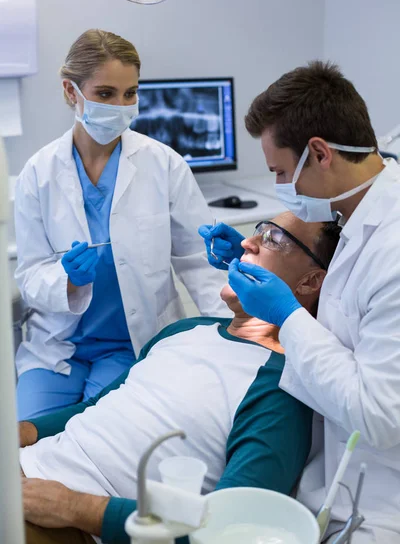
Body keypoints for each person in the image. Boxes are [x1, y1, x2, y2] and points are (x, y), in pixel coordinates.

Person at [19, 212, 340, 544]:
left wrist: (77, 508)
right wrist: (23, 431)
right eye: (261, 230)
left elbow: (232, 527)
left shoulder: (277, 391)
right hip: (24, 470)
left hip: (68, 524)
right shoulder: (187, 329)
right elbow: (96, 406)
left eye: (274, 239)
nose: (247, 242)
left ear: (310, 282)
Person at [199, 61, 400, 543]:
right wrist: (259, 247)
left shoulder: (393, 248)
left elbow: (380, 416)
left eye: (282, 172)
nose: (281, 188)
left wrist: (287, 315)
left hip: (380, 499)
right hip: (328, 473)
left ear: (319, 153)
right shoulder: (356, 214)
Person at [14, 29, 228, 422]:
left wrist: (233, 336)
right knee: (25, 441)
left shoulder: (164, 165)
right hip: (57, 345)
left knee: (97, 435)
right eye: (106, 93)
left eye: (130, 93)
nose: (121, 105)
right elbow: (28, 274)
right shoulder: (38, 174)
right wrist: (66, 281)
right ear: (70, 92)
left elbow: (199, 262)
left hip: (131, 342)